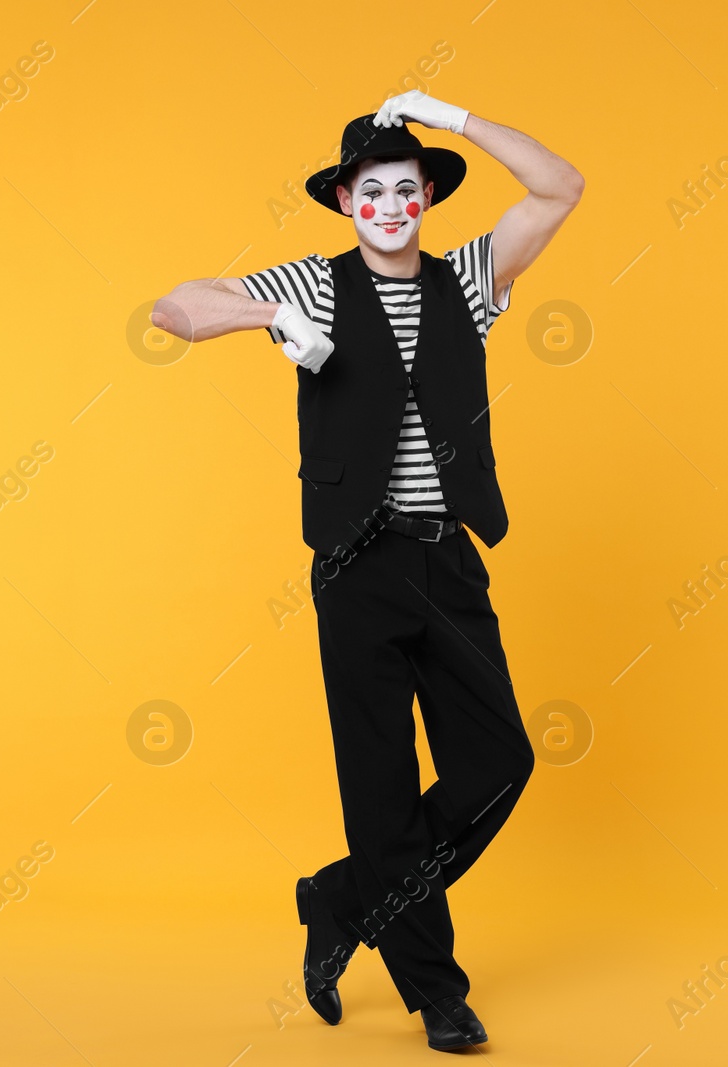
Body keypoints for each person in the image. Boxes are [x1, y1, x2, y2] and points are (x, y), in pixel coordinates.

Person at [151, 90, 583, 1052]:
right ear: (346, 204)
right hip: (355, 565)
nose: (390, 206)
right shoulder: (314, 284)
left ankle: (341, 895)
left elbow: (560, 188)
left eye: (406, 188)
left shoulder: (469, 278)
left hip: (450, 556)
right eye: (370, 192)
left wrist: (454, 116)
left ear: (427, 196)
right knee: (381, 786)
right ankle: (437, 992)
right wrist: (272, 318)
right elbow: (172, 307)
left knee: (496, 760)